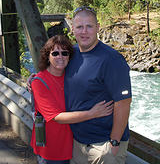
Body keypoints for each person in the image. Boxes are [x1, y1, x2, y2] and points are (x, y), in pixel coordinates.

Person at [30, 35, 113, 164]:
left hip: (74, 146)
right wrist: (93, 113)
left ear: (69, 56)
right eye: (55, 53)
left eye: (64, 53)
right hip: (52, 149)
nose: (60, 57)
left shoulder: (72, 76)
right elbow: (56, 117)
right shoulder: (39, 82)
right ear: (47, 56)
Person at [64, 6, 132, 164]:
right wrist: (34, 80)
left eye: (89, 26)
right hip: (76, 144)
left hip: (102, 146)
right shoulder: (70, 54)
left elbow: (123, 104)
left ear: (98, 27)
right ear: (72, 29)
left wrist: (114, 143)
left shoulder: (112, 60)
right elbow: (53, 76)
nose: (84, 31)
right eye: (79, 27)